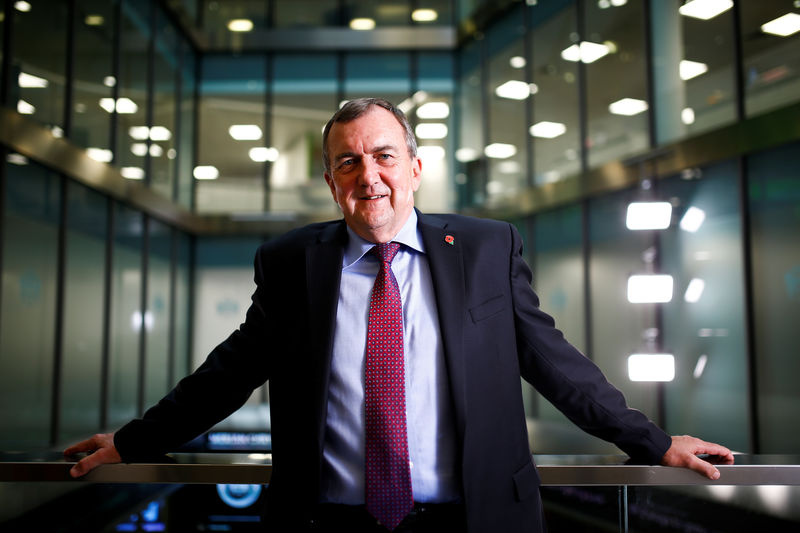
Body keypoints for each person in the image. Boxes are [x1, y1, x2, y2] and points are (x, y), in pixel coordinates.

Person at [65, 98, 733, 532]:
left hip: (472, 521)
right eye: (348, 162)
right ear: (331, 182)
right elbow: (227, 372)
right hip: (332, 525)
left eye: (384, 156)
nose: (369, 175)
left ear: (414, 167)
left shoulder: (484, 248)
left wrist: (652, 441)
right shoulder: (293, 262)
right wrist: (131, 441)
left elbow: (554, 363)